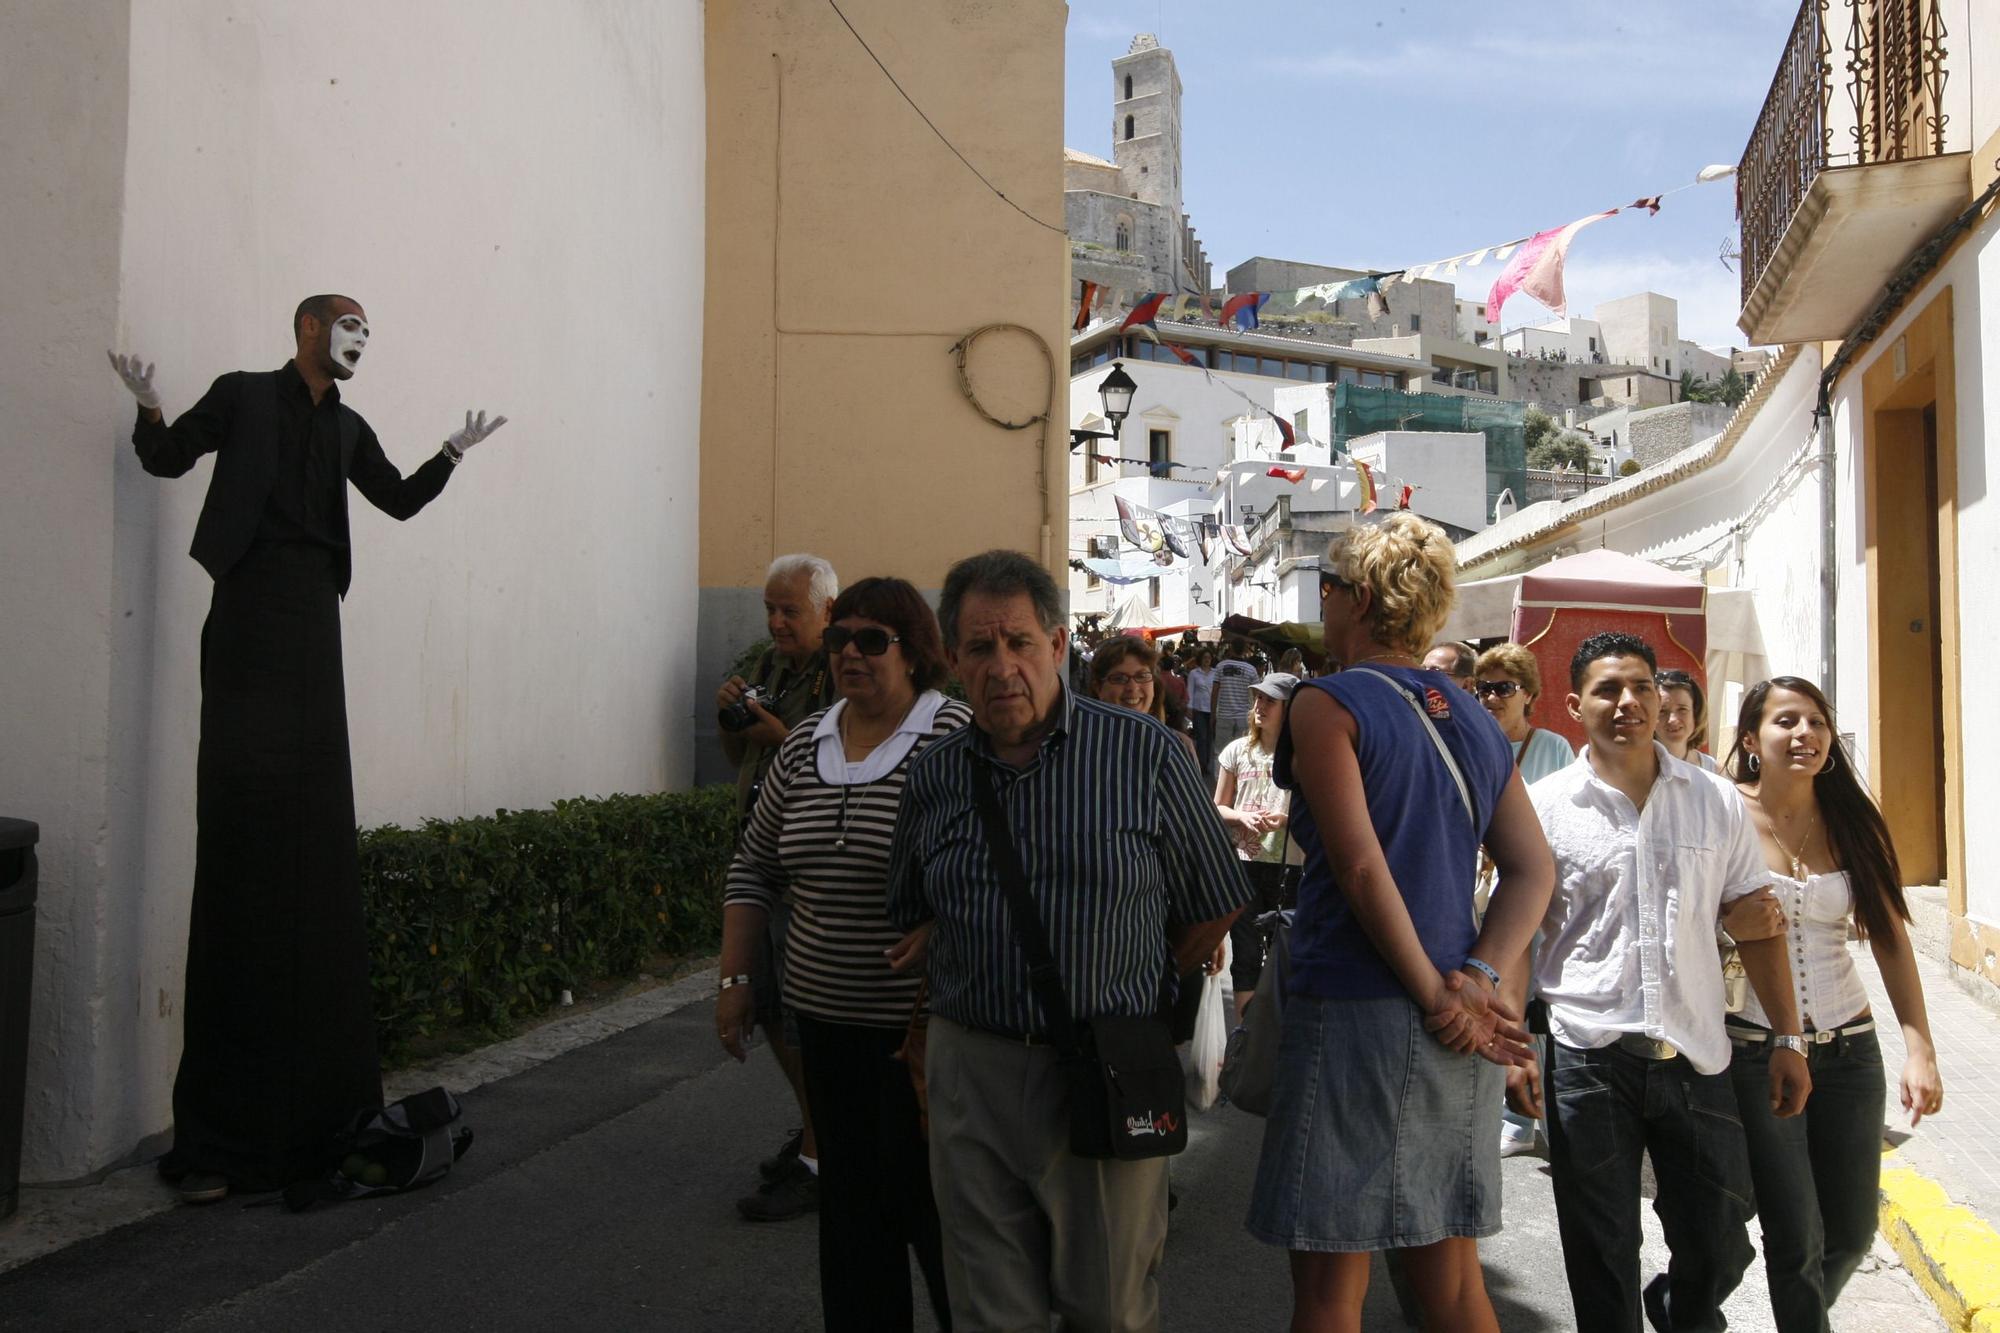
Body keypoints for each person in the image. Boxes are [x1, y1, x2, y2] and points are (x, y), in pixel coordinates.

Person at [108, 297, 511, 1203]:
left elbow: (398, 501)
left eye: (370, 330)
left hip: (313, 621)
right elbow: (169, 460)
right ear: (307, 331)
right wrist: (147, 410)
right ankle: (220, 1139)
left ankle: (319, 1122)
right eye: (349, 325)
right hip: (249, 608)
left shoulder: (351, 425)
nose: (361, 340)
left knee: (312, 832)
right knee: (247, 829)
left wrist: (449, 455)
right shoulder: (245, 396)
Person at [887, 550, 1250, 1333]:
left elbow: (1215, 902)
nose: (1002, 666)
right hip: (971, 1071)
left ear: (1058, 646)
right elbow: (914, 910)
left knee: (1109, 1308)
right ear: (953, 659)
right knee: (987, 1311)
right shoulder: (935, 776)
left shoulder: (1143, 753)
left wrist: (1138, 988)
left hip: (1103, 1062)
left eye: (1020, 642)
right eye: (979, 648)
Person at [1246, 514, 1555, 1333]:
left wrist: (1436, 992)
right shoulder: (1476, 715)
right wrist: (1476, 982)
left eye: (1329, 588)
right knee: (1451, 1281)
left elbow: (1356, 867)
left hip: (1354, 1010)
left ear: (1357, 597)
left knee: (1326, 1289)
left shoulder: (1326, 703)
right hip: (1462, 1026)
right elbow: (1534, 869)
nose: (1324, 604)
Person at [1519, 631, 1812, 1333]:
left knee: (1717, 1235)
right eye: (1608, 689)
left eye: (1642, 687)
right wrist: (1514, 1049)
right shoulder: (1544, 806)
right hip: (1588, 1055)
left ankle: (1682, 1307)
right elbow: (1519, 935)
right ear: (1573, 704)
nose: (1628, 702)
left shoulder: (1714, 800)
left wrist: (1789, 1037)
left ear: (1661, 696)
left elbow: (1761, 924)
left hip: (1695, 1051)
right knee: (1600, 1250)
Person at [718, 577, 970, 1331]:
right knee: (855, 1234)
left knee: (946, 1230)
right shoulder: (804, 743)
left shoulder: (952, 736)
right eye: (840, 640)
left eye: (872, 640)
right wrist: (735, 979)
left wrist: (946, 920)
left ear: (916, 650)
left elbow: (1000, 857)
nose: (851, 655)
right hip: (825, 1032)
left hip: (925, 1041)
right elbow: (754, 866)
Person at [1721, 677, 1944, 1332]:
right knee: (1797, 1238)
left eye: (1816, 721)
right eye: (1786, 720)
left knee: (1849, 1231)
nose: (1805, 733)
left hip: (1850, 1047)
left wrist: (1919, 1046)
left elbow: (1892, 939)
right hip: (1755, 1047)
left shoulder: (1849, 821)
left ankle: (1679, 1303)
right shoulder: (1723, 815)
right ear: (1750, 740)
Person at [715, 553, 840, 1221]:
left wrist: (778, 733)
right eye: (770, 608)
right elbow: (740, 756)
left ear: (827, 611)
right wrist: (728, 718)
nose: (776, 620)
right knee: (765, 1006)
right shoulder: (767, 668)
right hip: (760, 857)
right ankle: (815, 1128)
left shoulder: (840, 671)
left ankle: (824, 1156)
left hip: (809, 868)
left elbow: (840, 762)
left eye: (790, 609)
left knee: (805, 1017)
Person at [1214, 672, 1300, 1020]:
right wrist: (1240, 818)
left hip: (1289, 864)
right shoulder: (1237, 751)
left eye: (1270, 700)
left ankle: (1280, 1032)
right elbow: (1217, 806)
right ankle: (1245, 1037)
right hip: (1244, 861)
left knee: (1285, 951)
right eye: (1258, 699)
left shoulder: (1302, 756)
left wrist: (1286, 819)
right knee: (1246, 952)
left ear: (1288, 708)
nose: (1259, 706)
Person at [1474, 643, 1576, 785]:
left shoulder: (1554, 748)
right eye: (1484, 688)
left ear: (1528, 694)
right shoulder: (1467, 746)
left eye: (1504, 688)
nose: (1491, 698)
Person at [1655, 668, 1719, 771]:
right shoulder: (1633, 769)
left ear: (1696, 712)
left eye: (1682, 709)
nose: (1672, 719)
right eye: (1662, 711)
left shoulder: (1714, 770)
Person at [1210, 647, 1259, 756]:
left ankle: (1219, 773)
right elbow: (1257, 695)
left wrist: (1212, 715)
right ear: (1244, 651)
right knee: (1241, 752)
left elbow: (1214, 693)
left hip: (1224, 716)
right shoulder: (1251, 669)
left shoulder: (1220, 666)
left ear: (1231, 650)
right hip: (1243, 717)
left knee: (1220, 751)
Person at [1186, 648, 1217, 774]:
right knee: (1201, 737)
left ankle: (1206, 762)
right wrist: (1189, 707)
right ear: (1200, 659)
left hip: (1212, 710)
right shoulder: (1194, 673)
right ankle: (1201, 764)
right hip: (1199, 709)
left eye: (1209, 658)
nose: (1207, 660)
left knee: (1209, 738)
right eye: (1204, 658)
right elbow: (1190, 691)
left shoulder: (1215, 673)